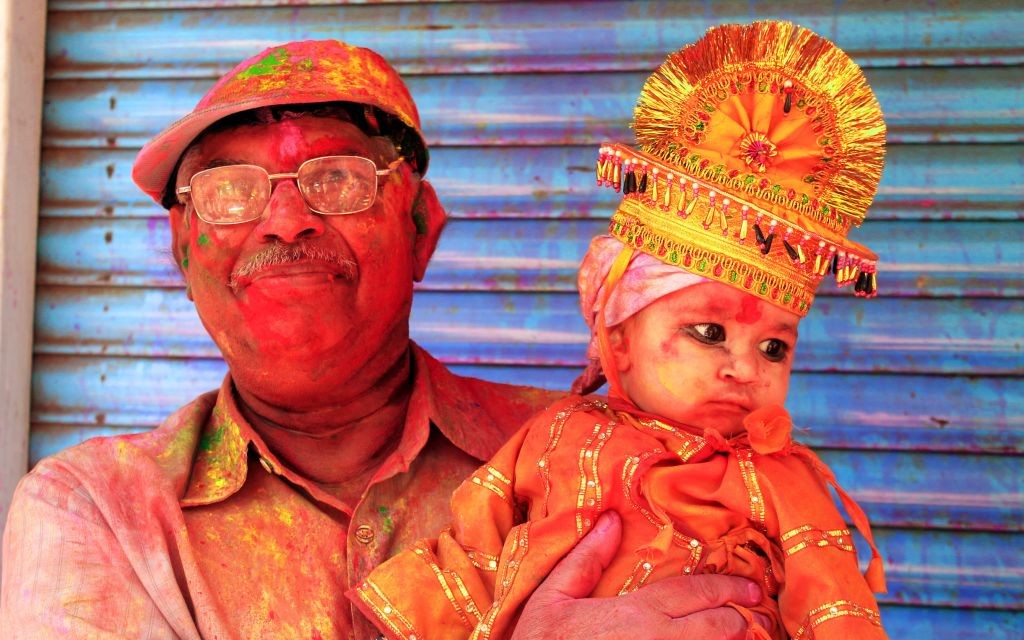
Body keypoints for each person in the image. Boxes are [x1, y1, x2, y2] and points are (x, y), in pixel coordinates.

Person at [0, 40, 767, 639]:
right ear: (182, 248)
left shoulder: (612, 459)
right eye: (230, 191)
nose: (284, 220)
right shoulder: (99, 511)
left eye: (338, 180)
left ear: (423, 229)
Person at [353, 21, 889, 640]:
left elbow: (836, 605)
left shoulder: (782, 482)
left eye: (774, 347)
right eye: (708, 333)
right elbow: (474, 549)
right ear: (621, 341)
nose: (745, 367)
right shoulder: (554, 433)